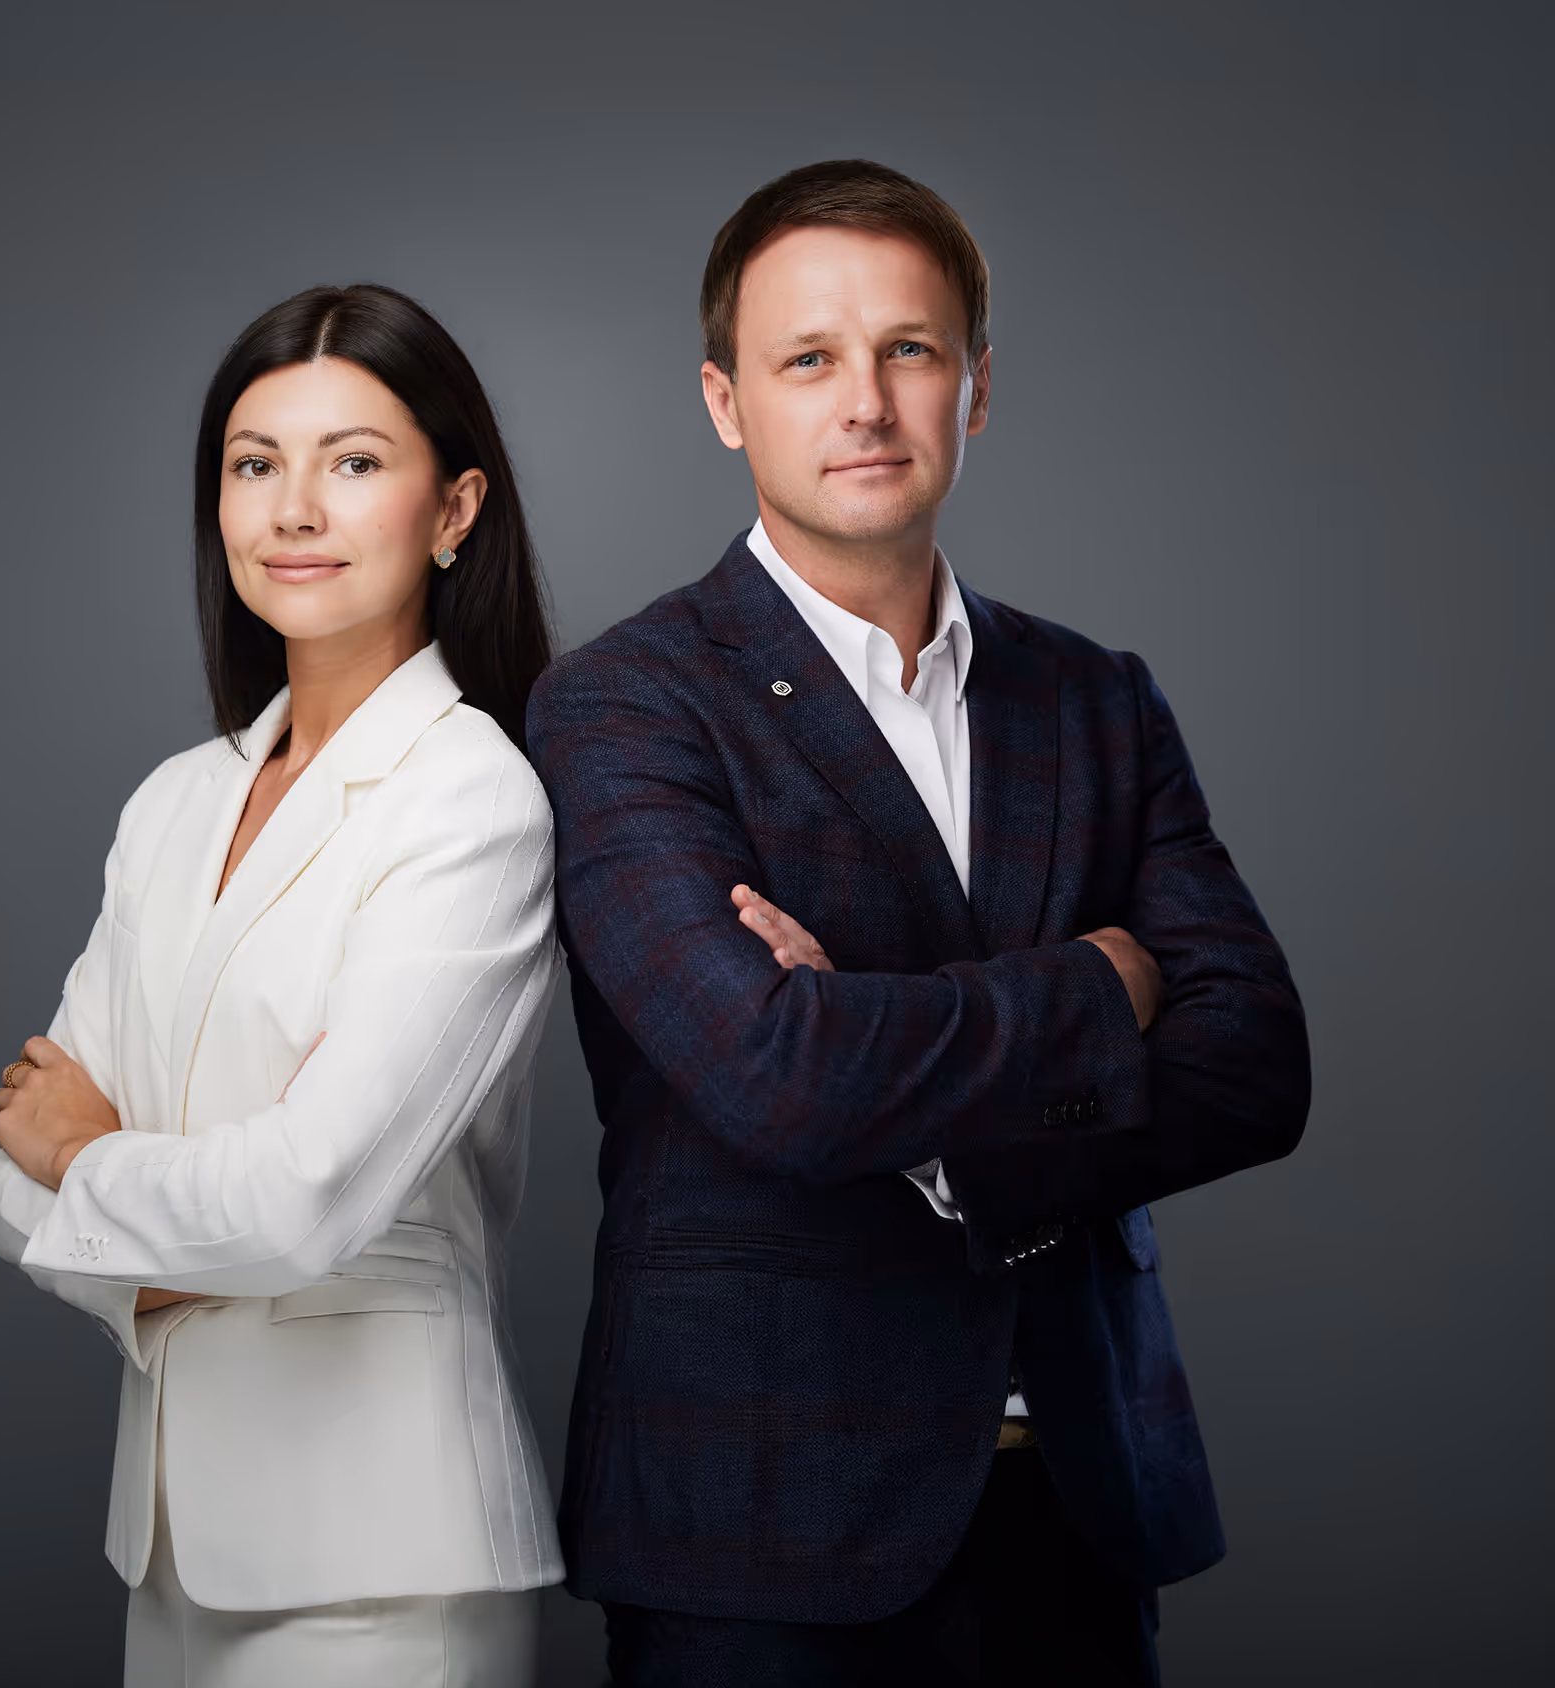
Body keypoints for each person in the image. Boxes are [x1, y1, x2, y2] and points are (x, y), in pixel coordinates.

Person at [528, 160, 1310, 1686]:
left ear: (977, 385)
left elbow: (1257, 1065)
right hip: (757, 1518)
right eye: (807, 359)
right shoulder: (623, 703)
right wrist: (1100, 980)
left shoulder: (1094, 697)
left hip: (1078, 1499)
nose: (865, 402)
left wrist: (899, 1074)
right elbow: (777, 1077)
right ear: (722, 401)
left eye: (909, 349)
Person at [0, 284, 565, 1687]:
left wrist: (95, 1161)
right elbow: (6, 1179)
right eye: (254, 465)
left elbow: (303, 1197)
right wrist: (154, 1238)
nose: (292, 508)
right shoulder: (176, 802)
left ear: (453, 509)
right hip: (173, 1546)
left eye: (352, 462)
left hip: (381, 1562)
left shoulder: (469, 796)